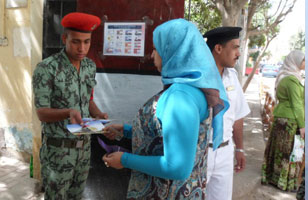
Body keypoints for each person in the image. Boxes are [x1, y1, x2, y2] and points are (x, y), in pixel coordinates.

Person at [102, 18, 229, 199]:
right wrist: (128, 131)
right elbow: (172, 136)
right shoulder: (192, 90)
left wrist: (124, 159)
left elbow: (176, 167)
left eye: (156, 48)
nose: (152, 55)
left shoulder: (179, 97)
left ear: (173, 51)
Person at [32, 12, 108, 200]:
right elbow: (41, 113)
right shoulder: (47, 68)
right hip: (58, 152)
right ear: (64, 39)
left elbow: (88, 100)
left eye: (87, 42)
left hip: (84, 149)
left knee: (77, 197)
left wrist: (99, 116)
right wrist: (68, 112)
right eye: (76, 41)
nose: (82, 48)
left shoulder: (89, 66)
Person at [203, 27, 251, 200]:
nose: (238, 53)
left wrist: (239, 148)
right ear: (218, 48)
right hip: (201, 152)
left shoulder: (232, 76)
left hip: (225, 151)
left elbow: (237, 115)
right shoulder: (198, 77)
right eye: (235, 47)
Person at [261, 50, 305, 191]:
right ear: (295, 62)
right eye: (303, 60)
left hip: (281, 116)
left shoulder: (284, 76)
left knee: (278, 150)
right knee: (288, 152)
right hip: (289, 120)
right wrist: (303, 126)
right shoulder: (291, 80)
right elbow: (297, 104)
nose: (305, 63)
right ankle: (283, 182)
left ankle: (272, 177)